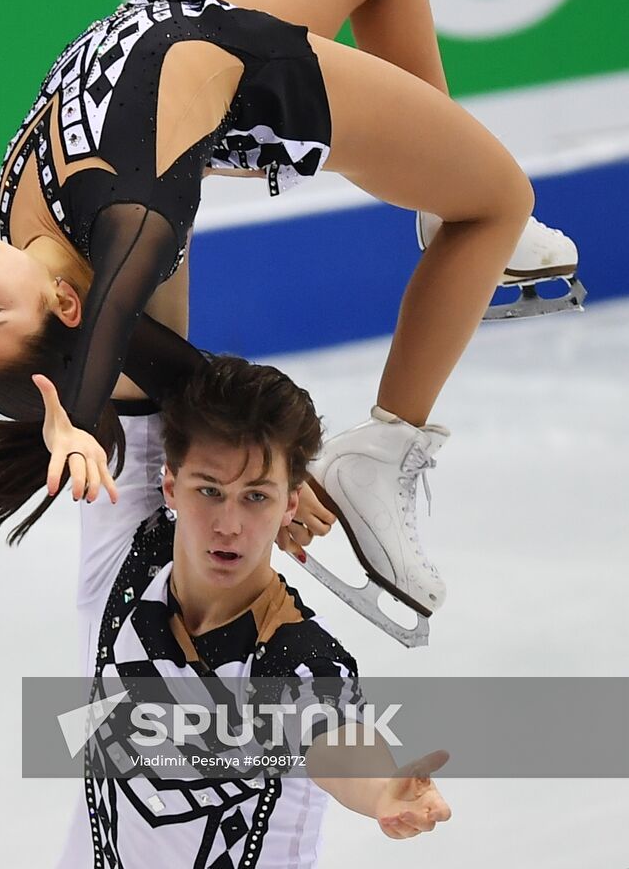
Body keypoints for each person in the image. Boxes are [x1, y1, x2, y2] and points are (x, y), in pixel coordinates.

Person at [0, 0, 578, 622]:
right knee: (500, 202)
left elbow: (147, 353)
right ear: (65, 303)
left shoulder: (25, 229)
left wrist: (76, 406)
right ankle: (385, 447)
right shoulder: (130, 224)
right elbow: (114, 323)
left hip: (195, 21)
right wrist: (77, 420)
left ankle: (440, 197)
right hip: (257, 79)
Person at [54, 355, 451, 868]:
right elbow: (130, 329)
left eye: (256, 497)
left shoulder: (297, 664)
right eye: (210, 491)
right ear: (170, 484)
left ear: (291, 503)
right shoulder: (123, 561)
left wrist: (379, 790)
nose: (229, 524)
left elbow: (337, 740)